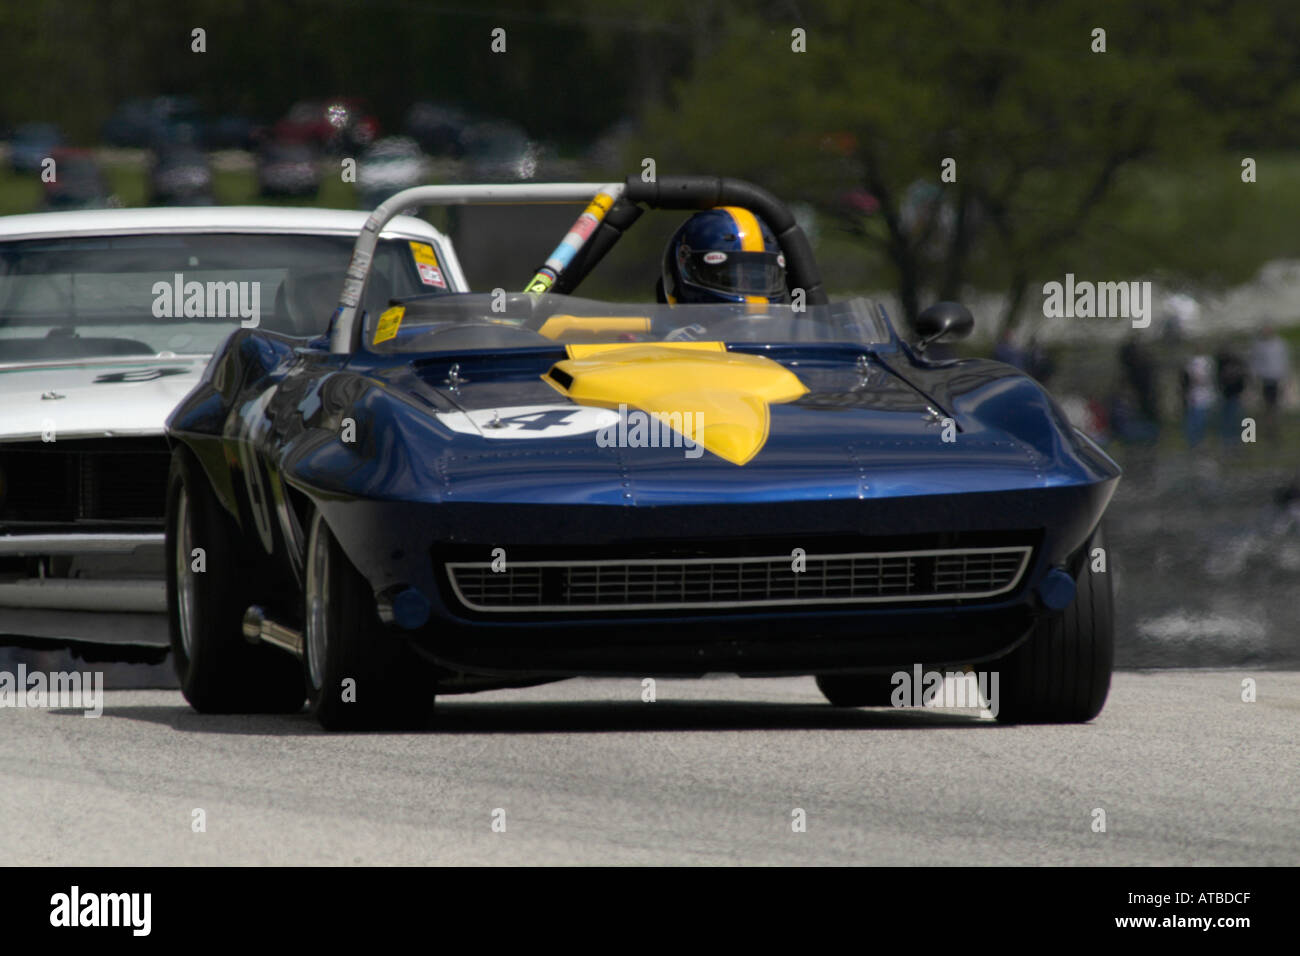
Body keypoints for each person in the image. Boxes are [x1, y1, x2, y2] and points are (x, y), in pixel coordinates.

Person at [659, 207, 788, 305]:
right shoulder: (653, 338)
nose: (746, 290)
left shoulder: (792, 336)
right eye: (728, 277)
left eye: (758, 279)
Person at [1249, 325, 1291, 429]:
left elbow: (1284, 361)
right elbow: (1255, 362)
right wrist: (1254, 377)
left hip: (1277, 377)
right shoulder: (1259, 345)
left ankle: (1275, 425)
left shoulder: (1280, 344)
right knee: (1266, 403)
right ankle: (1268, 425)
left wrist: (1285, 377)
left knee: (1276, 403)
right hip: (1265, 377)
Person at [1216, 346, 1248, 448]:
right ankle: (1228, 439)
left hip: (1234, 394)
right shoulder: (1222, 365)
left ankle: (1234, 438)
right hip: (1227, 394)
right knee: (1228, 417)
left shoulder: (1236, 366)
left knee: (1234, 417)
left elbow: (1242, 380)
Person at [1180, 354, 1215, 448]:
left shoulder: (1207, 362)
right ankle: (1194, 442)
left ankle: (1199, 441)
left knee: (1201, 421)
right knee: (1194, 421)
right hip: (1195, 399)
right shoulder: (1191, 365)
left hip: (1203, 399)